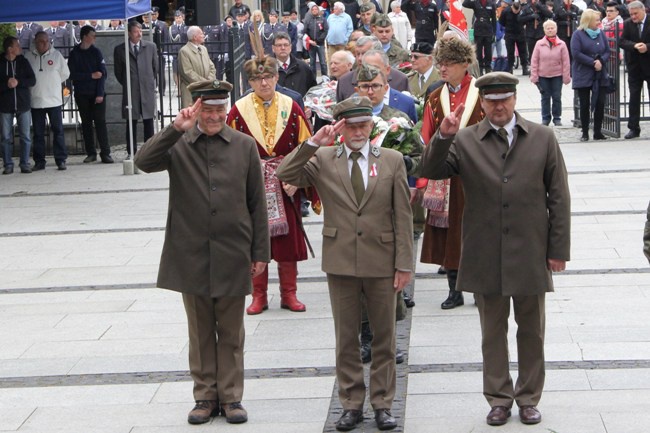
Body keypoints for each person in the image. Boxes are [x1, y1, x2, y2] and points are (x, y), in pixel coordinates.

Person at [420, 71, 571, 426]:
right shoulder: (467, 139)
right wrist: (444, 135)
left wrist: (558, 248)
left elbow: (559, 196)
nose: (499, 106)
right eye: (492, 101)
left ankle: (529, 397)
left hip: (531, 249)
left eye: (504, 100)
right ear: (482, 104)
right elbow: (432, 169)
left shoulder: (543, 138)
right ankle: (499, 398)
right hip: (485, 249)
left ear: (515, 100)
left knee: (532, 330)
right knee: (492, 331)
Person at [135, 79, 268, 426]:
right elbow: (143, 161)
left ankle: (232, 396)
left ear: (227, 110)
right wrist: (173, 130)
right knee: (200, 329)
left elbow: (258, 202)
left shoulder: (243, 146)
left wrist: (260, 252)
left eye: (219, 110)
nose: (213, 117)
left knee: (231, 330)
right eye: (206, 111)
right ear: (194, 110)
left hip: (233, 250)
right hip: (191, 252)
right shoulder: (179, 144)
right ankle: (205, 396)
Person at [276, 95, 413, 432]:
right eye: (350, 126)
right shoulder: (324, 158)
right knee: (346, 338)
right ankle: (351, 403)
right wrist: (312, 142)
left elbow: (403, 216)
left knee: (384, 336)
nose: (357, 131)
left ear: (371, 125)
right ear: (340, 128)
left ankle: (382, 403)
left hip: (382, 260)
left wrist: (404, 263)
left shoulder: (392, 160)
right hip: (341, 261)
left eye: (363, 124)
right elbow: (285, 172)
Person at [226, 53, 313, 316]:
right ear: (249, 82)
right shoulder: (238, 110)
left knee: (287, 243)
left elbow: (306, 147)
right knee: (254, 240)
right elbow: (228, 150)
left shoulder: (292, 106)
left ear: (277, 77)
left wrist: (297, 179)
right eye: (257, 79)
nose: (263, 83)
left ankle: (289, 293)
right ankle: (258, 296)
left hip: (286, 181)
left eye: (268, 77)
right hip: (253, 183)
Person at [417, 37, 483, 310]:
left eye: (449, 64)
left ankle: (480, 288)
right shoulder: (435, 96)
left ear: (465, 64)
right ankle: (454, 290)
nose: (442, 69)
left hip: (476, 173)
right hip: (445, 173)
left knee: (477, 230)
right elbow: (427, 136)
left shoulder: (481, 93)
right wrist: (423, 178)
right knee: (449, 234)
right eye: (440, 63)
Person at [68, 25, 113, 163]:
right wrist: (90, 75)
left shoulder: (96, 52)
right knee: (86, 124)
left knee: (100, 123)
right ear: (85, 36)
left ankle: (105, 153)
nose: (94, 38)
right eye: (93, 35)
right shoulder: (74, 53)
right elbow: (72, 74)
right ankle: (91, 152)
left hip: (97, 94)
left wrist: (100, 94)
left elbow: (102, 74)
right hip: (82, 94)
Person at [114, 21, 158, 159]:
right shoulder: (121, 49)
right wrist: (130, 82)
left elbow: (155, 68)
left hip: (146, 88)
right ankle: (131, 151)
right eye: (135, 31)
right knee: (131, 121)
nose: (139, 34)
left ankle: (149, 151)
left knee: (148, 121)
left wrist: (148, 82)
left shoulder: (150, 47)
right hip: (131, 89)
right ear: (129, 33)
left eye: (140, 31)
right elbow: (118, 72)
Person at [26, 31, 69, 171]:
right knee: (38, 133)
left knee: (58, 131)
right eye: (41, 41)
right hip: (36, 101)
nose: (44, 43)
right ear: (35, 42)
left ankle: (61, 160)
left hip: (54, 101)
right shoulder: (28, 56)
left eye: (46, 41)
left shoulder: (57, 55)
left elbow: (65, 74)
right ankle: (39, 161)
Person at [570, 9, 610, 141]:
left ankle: (597, 131)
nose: (599, 22)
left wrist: (601, 61)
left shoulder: (601, 33)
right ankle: (585, 132)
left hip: (600, 73)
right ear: (589, 21)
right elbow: (576, 53)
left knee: (600, 103)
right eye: (597, 20)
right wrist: (592, 62)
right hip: (584, 72)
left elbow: (607, 51)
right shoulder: (578, 34)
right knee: (584, 103)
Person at [0, 36, 35, 175]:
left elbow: (32, 80)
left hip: (23, 103)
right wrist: (6, 85)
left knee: (25, 136)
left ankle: (24, 163)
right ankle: (8, 164)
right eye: (17, 45)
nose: (20, 48)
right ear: (10, 49)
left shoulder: (23, 61)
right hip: (5, 105)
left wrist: (18, 82)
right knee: (5, 137)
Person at [530, 20, 571, 126]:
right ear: (544, 30)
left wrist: (566, 76)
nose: (550, 29)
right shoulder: (539, 44)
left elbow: (566, 61)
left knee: (557, 97)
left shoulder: (562, 44)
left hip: (557, 75)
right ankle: (545, 117)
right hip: (543, 75)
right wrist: (534, 76)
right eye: (547, 28)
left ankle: (557, 117)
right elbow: (534, 60)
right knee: (545, 97)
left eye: (552, 27)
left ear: (556, 29)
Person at [620, 0, 650, 139]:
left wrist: (647, 47)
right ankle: (633, 128)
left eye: (635, 14)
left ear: (643, 11)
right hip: (635, 66)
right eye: (631, 14)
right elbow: (622, 41)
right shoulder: (627, 23)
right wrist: (634, 46)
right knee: (634, 98)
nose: (633, 17)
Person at [178, 26, 216, 109]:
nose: (204, 35)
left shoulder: (203, 49)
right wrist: (205, 83)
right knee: (192, 116)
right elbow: (187, 72)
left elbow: (211, 66)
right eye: (201, 33)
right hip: (191, 92)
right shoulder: (184, 51)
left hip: (205, 90)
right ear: (195, 37)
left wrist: (209, 79)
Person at [273, 32, 317, 96]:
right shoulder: (269, 69)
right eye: (279, 45)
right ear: (273, 48)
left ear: (290, 47)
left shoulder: (303, 67)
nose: (283, 48)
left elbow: (313, 90)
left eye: (286, 45)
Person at [464, 0, 498, 74]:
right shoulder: (475, 3)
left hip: (488, 30)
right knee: (478, 52)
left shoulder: (491, 4)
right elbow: (465, 4)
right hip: (478, 30)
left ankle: (488, 68)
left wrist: (494, 33)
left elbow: (494, 20)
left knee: (488, 51)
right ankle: (480, 68)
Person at [500, 0, 530, 75]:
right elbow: (501, 22)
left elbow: (526, 20)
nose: (516, 12)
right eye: (514, 10)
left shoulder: (523, 11)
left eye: (517, 10)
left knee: (523, 52)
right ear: (512, 7)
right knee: (510, 52)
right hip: (510, 33)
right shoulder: (506, 11)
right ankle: (510, 68)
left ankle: (525, 67)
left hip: (520, 33)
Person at [305, 2, 330, 77]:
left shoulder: (323, 19)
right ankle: (313, 78)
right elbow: (305, 31)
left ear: (318, 10)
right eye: (313, 9)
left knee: (322, 62)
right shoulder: (308, 20)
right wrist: (310, 40)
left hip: (320, 44)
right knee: (312, 63)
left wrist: (318, 40)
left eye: (316, 9)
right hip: (311, 44)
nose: (315, 11)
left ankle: (325, 77)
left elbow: (325, 30)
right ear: (311, 11)